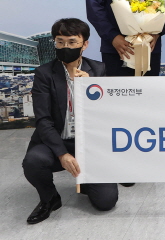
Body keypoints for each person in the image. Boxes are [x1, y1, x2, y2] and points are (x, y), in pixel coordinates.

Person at [22, 18, 118, 224]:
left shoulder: (98, 70)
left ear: (85, 44)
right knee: (33, 161)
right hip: (57, 140)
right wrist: (62, 153)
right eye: (60, 42)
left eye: (72, 42)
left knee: (106, 201)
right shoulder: (44, 73)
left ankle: (87, 182)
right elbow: (43, 119)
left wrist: (90, 88)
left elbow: (107, 112)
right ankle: (49, 198)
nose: (65, 47)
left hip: (89, 143)